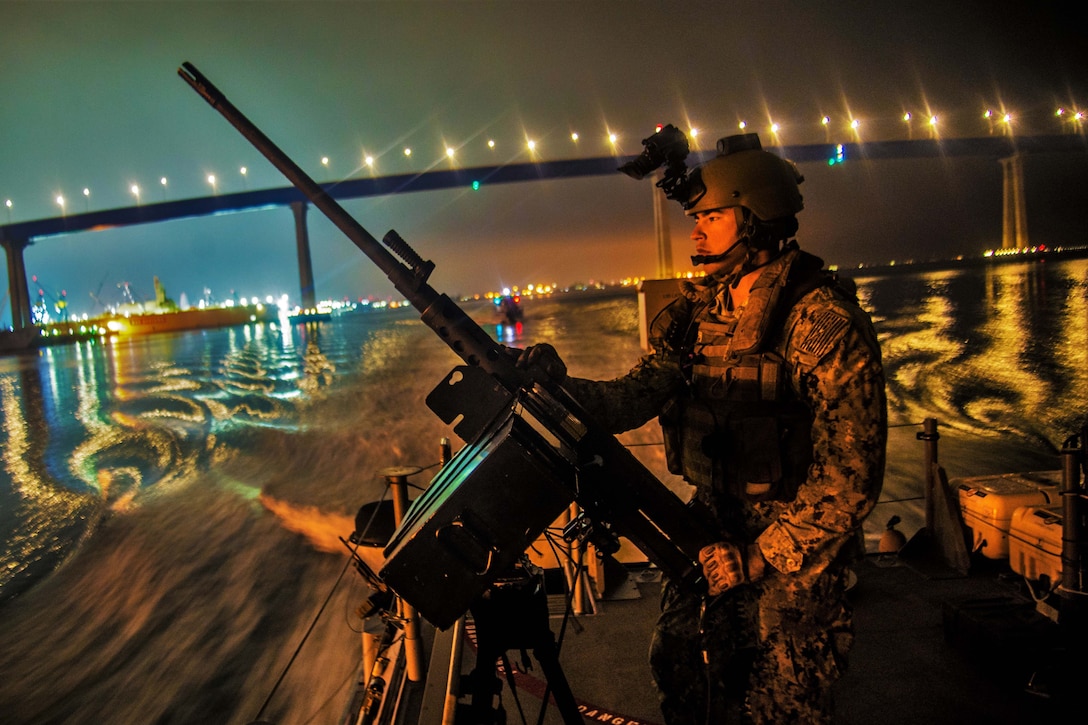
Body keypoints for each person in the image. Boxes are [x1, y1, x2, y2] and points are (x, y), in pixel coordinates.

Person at [518, 132, 887, 724]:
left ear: (757, 215)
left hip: (793, 546)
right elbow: (631, 398)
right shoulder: (698, 314)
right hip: (711, 520)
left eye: (711, 217)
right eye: (695, 218)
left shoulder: (821, 323)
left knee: (783, 702)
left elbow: (851, 479)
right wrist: (555, 387)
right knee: (679, 662)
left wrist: (759, 556)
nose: (695, 232)